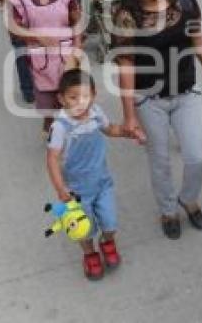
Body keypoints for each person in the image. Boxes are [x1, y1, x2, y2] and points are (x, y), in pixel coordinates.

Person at [113, 0, 202, 240]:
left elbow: (197, 35)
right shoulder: (125, 13)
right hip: (149, 99)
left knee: (198, 156)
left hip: (187, 91)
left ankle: (188, 198)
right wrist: (129, 116)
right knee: (159, 161)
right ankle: (168, 210)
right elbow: (126, 64)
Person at [45, 69, 145, 280]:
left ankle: (107, 241)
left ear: (94, 95)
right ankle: (89, 254)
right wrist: (61, 189)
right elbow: (52, 158)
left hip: (102, 183)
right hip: (77, 191)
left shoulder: (96, 113)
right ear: (61, 98)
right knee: (84, 229)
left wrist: (130, 132)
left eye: (85, 96)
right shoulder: (61, 126)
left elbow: (111, 130)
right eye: (73, 97)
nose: (80, 102)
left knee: (110, 223)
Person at [6, 0, 82, 135]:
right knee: (47, 98)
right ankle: (48, 122)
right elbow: (14, 29)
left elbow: (77, 21)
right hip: (41, 58)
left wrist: (78, 49)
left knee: (71, 95)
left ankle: (70, 132)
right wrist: (36, 36)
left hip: (67, 55)